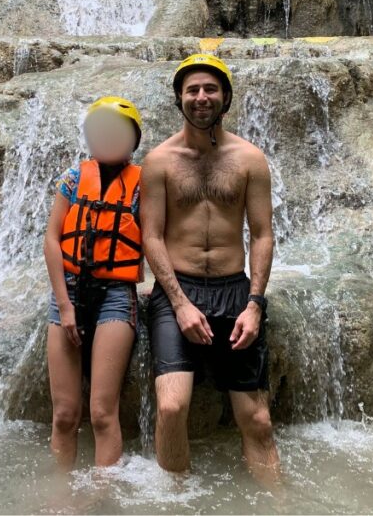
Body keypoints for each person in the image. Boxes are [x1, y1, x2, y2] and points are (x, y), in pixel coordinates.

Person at [140, 53, 281, 484]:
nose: (201, 98)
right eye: (192, 90)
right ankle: (176, 499)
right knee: (171, 406)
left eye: (210, 89)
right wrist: (180, 304)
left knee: (256, 418)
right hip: (175, 289)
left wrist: (254, 304)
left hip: (234, 291)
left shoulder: (249, 159)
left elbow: (261, 234)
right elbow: (152, 237)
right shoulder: (159, 161)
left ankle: (277, 505)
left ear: (226, 97)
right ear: (179, 99)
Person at [43, 96, 144, 468]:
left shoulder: (142, 185)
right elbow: (52, 240)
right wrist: (65, 306)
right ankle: (61, 496)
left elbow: (159, 239)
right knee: (65, 414)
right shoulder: (71, 179)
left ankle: (104, 499)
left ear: (133, 141)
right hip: (68, 293)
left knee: (102, 412)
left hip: (116, 296)